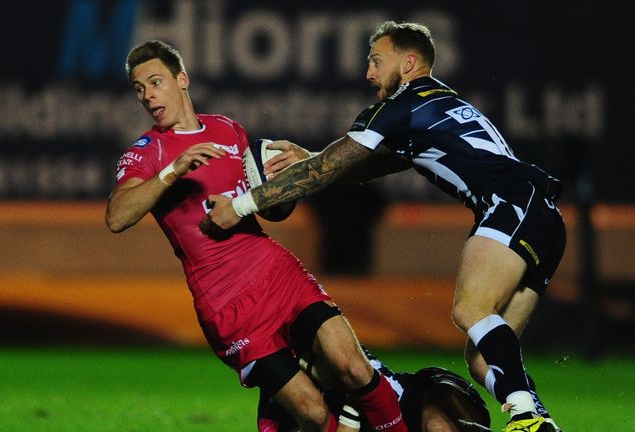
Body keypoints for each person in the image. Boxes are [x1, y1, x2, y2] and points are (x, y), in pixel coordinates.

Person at [203, 21, 566, 432]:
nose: (368, 73)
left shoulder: (402, 105)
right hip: (545, 217)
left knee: (470, 309)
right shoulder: (436, 103)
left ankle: (527, 417)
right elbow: (370, 164)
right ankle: (534, 415)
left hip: (511, 202)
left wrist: (243, 204)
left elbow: (327, 169)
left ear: (408, 62)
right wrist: (310, 155)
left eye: (376, 61)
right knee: (484, 359)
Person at [104, 39, 408, 432]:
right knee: (313, 414)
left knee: (352, 364)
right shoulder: (147, 153)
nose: (147, 95)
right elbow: (116, 217)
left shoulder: (228, 130)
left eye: (155, 82)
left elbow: (269, 203)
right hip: (227, 304)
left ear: (182, 79)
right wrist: (172, 171)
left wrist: (286, 186)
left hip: (277, 272)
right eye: (139, 88)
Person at [259, 344, 492, 432]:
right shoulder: (276, 419)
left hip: (423, 393)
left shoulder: (333, 353)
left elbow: (363, 384)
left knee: (436, 427)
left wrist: (353, 400)